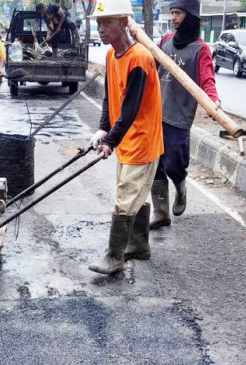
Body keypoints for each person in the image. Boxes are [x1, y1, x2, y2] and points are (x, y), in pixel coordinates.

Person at [87, 0, 163, 275]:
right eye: (98, 23)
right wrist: (103, 128)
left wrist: (110, 141)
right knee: (135, 195)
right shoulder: (111, 55)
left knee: (125, 197)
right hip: (127, 139)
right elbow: (111, 97)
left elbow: (130, 108)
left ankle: (114, 255)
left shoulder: (139, 58)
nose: (101, 28)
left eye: (106, 22)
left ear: (123, 22)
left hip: (142, 139)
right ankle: (139, 246)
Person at [144, 0, 220, 230]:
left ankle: (180, 186)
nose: (174, 18)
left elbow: (207, 79)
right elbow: (150, 65)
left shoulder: (200, 49)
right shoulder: (166, 41)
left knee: (174, 164)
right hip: (157, 112)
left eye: (178, 13)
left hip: (179, 115)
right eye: (172, 13)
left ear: (191, 16)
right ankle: (160, 212)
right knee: (155, 164)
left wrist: (213, 101)